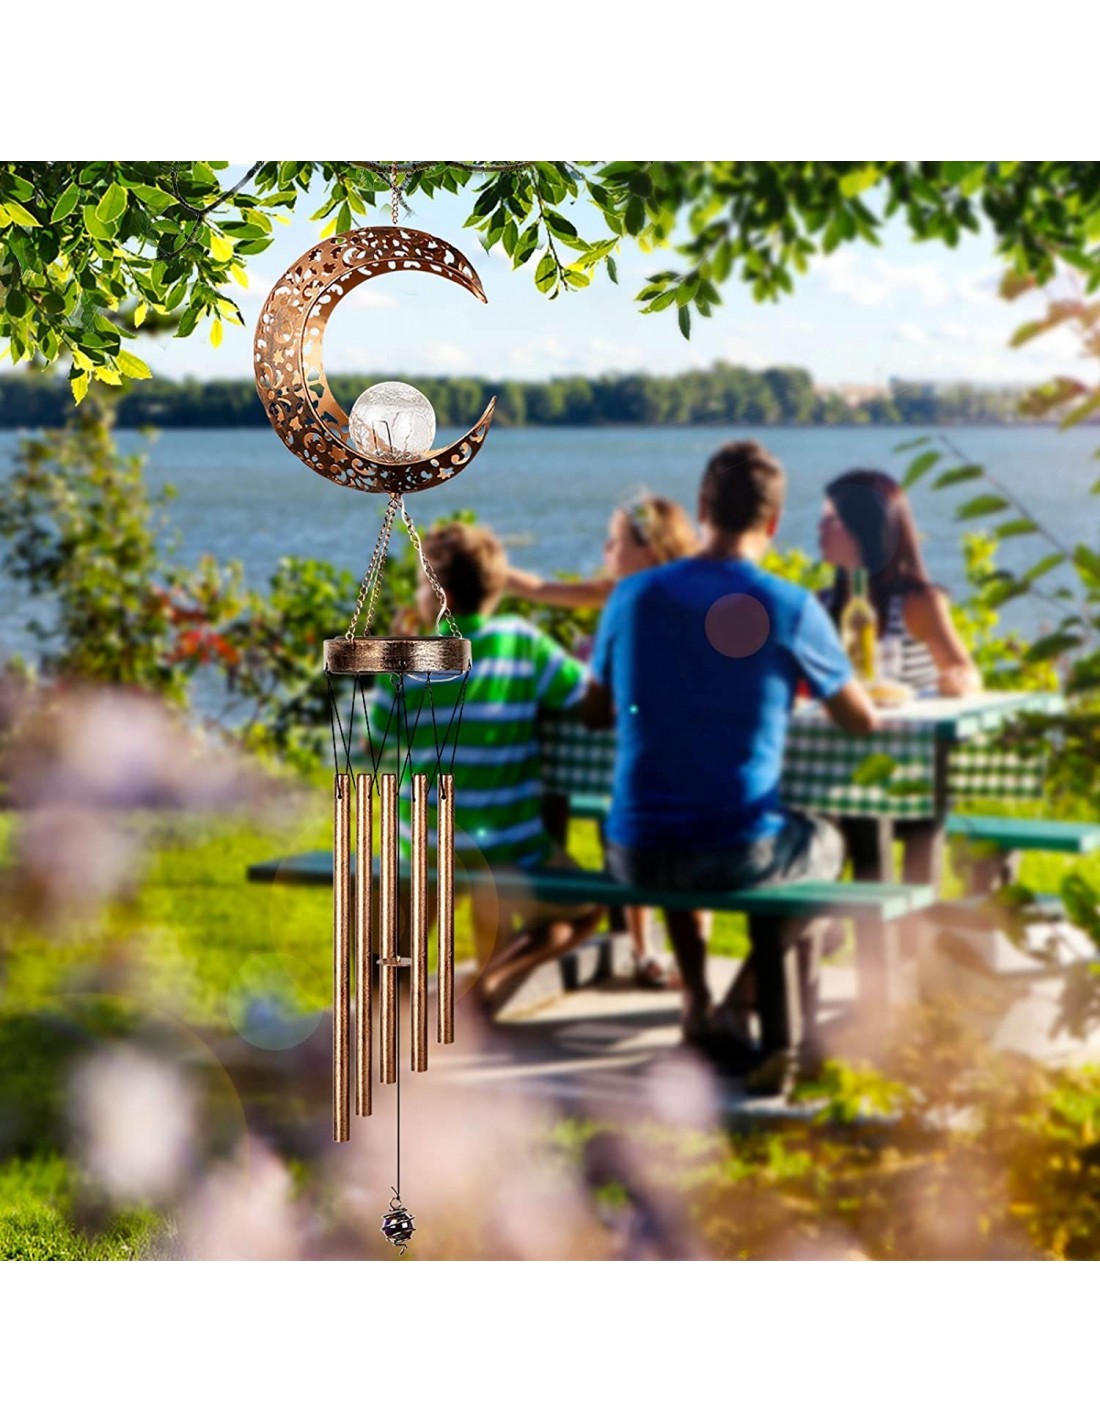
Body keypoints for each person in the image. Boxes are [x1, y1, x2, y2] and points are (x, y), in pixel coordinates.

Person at [586, 440, 878, 1087]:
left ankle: (698, 1003)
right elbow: (861, 720)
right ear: (774, 524)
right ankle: (744, 1004)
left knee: (681, 821)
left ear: (702, 508)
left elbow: (593, 709)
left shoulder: (630, 598)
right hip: (734, 854)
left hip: (630, 851)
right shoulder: (792, 605)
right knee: (836, 837)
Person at [365, 522, 602, 1016]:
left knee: (408, 905)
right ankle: (492, 981)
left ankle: (393, 1005)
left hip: (428, 845)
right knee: (589, 906)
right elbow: (586, 696)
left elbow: (374, 742)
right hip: (506, 849)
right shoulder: (522, 644)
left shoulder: (410, 657)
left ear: (440, 596)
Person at [504, 495, 698, 989]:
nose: (606, 547)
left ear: (651, 550)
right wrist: (498, 576)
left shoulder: (681, 601)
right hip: (630, 741)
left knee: (663, 834)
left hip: (673, 750)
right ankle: (643, 950)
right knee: (622, 825)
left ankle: (681, 960)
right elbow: (544, 589)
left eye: (616, 540)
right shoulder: (618, 593)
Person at [819, 469, 980, 697]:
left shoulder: (919, 604)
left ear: (865, 527)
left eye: (831, 519)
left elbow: (966, 671)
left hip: (914, 730)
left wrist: (959, 681)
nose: (820, 527)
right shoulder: (820, 604)